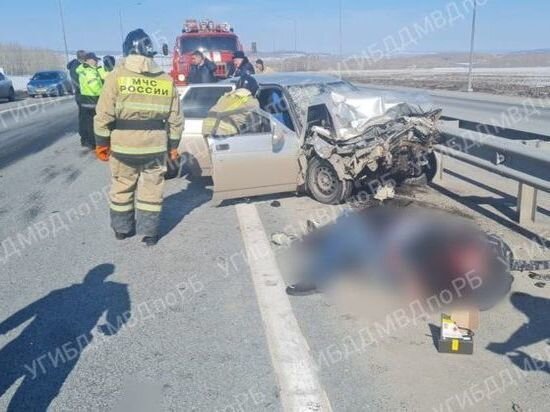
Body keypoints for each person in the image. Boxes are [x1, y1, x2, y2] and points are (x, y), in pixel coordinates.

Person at [94, 29, 184, 247]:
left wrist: (101, 144)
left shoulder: (116, 76)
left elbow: (103, 114)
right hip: (155, 146)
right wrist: (173, 146)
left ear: (127, 50)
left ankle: (122, 230)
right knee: (152, 188)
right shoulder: (165, 80)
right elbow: (176, 118)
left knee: (122, 185)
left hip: (123, 146)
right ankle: (149, 234)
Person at [76, 53, 104, 149]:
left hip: (86, 99)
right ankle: (94, 143)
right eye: (95, 60)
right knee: (94, 123)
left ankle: (90, 142)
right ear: (88, 60)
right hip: (92, 100)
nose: (96, 62)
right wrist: (104, 93)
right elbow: (95, 86)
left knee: (88, 122)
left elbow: (104, 76)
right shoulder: (89, 71)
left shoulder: (85, 69)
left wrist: (100, 69)